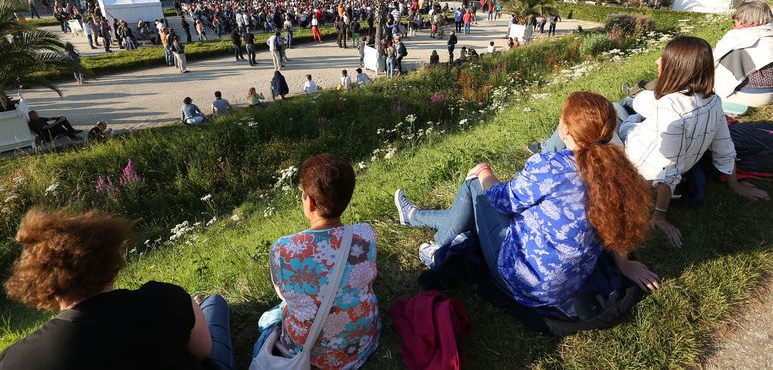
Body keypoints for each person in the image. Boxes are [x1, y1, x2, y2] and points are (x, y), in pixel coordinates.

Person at [394, 92, 661, 316]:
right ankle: (414, 216)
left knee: (474, 186)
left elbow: (501, 200)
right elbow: (620, 221)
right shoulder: (618, 170)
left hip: (523, 279)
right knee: (479, 209)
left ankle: (438, 251)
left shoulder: (550, 167)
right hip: (568, 286)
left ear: (564, 129)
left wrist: (485, 171)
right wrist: (624, 265)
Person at [535, 36, 769, 248]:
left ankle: (544, 155)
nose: (659, 61)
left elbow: (669, 169)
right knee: (624, 107)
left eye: (665, 59)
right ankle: (550, 149)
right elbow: (724, 147)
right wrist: (735, 184)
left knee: (596, 112)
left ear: (677, 68)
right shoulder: (713, 102)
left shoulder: (670, 107)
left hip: (633, 161)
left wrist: (659, 215)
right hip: (655, 147)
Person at [0, 208, 236, 370]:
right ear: (111, 262)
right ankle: (200, 305)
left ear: (42, 281)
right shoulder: (162, 299)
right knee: (214, 302)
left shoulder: (13, 360)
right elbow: (204, 351)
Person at [250, 154, 380, 369]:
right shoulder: (365, 234)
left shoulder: (283, 249)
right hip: (362, 343)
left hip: (313, 358)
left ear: (309, 201)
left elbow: (283, 295)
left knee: (268, 322)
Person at [712, 0, 773, 107]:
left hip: (751, 96)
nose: (735, 23)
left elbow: (718, 69)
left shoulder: (737, 39)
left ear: (745, 20)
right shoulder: (769, 34)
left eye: (737, 19)